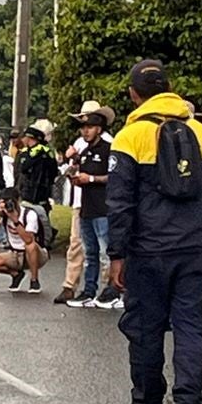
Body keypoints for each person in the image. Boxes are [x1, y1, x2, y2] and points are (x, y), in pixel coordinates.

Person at [108, 59, 202, 404]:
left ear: (134, 94)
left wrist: (116, 254)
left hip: (148, 250)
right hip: (195, 247)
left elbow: (120, 203)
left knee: (145, 327)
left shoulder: (130, 137)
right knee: (191, 325)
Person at [66, 108, 122, 309]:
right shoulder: (84, 152)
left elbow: (114, 177)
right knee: (90, 253)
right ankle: (89, 290)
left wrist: (90, 179)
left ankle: (113, 290)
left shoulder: (109, 149)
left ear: (99, 128)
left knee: (107, 252)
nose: (85, 131)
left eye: (89, 127)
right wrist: (75, 177)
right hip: (86, 208)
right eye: (83, 128)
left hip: (104, 208)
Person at [0, 188, 51, 295]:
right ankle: (16, 274)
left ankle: (34, 280)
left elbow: (28, 240)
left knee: (30, 246)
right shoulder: (3, 214)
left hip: (37, 255)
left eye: (11, 202)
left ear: (18, 200)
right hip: (15, 253)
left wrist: (15, 220)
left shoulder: (29, 214)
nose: (9, 206)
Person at [17, 122, 60, 210]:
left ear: (29, 137)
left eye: (24, 136)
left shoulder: (43, 153)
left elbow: (53, 171)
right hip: (27, 193)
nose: (22, 139)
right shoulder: (26, 152)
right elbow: (22, 169)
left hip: (39, 195)